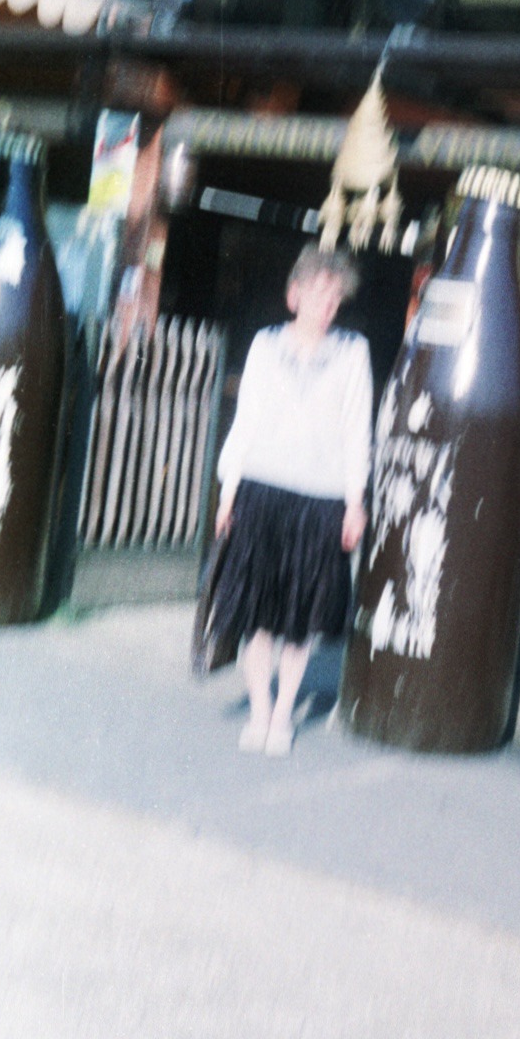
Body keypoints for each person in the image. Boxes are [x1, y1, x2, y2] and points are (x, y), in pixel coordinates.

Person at [213, 245, 372, 756]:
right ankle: (260, 709)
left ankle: (283, 716)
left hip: (321, 499)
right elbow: (246, 422)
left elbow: (357, 430)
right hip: (262, 488)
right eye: (319, 294)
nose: (328, 305)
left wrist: (354, 501)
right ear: (294, 294)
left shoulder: (354, 351)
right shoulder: (264, 346)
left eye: (336, 297)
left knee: (299, 617)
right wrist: (229, 488)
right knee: (258, 612)